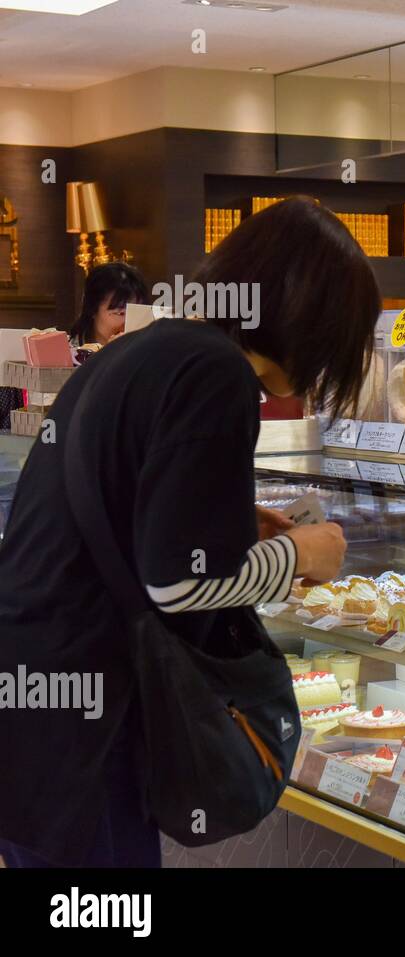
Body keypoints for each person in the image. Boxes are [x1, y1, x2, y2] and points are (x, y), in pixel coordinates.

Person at [0, 197, 379, 867]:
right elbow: (178, 582)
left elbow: (128, 507)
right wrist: (299, 552)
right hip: (88, 723)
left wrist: (235, 521)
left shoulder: (147, 350)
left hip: (39, 697)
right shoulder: (216, 374)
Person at [68, 261, 150, 346]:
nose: (129, 323)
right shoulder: (69, 354)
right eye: (120, 313)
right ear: (92, 309)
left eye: (137, 313)